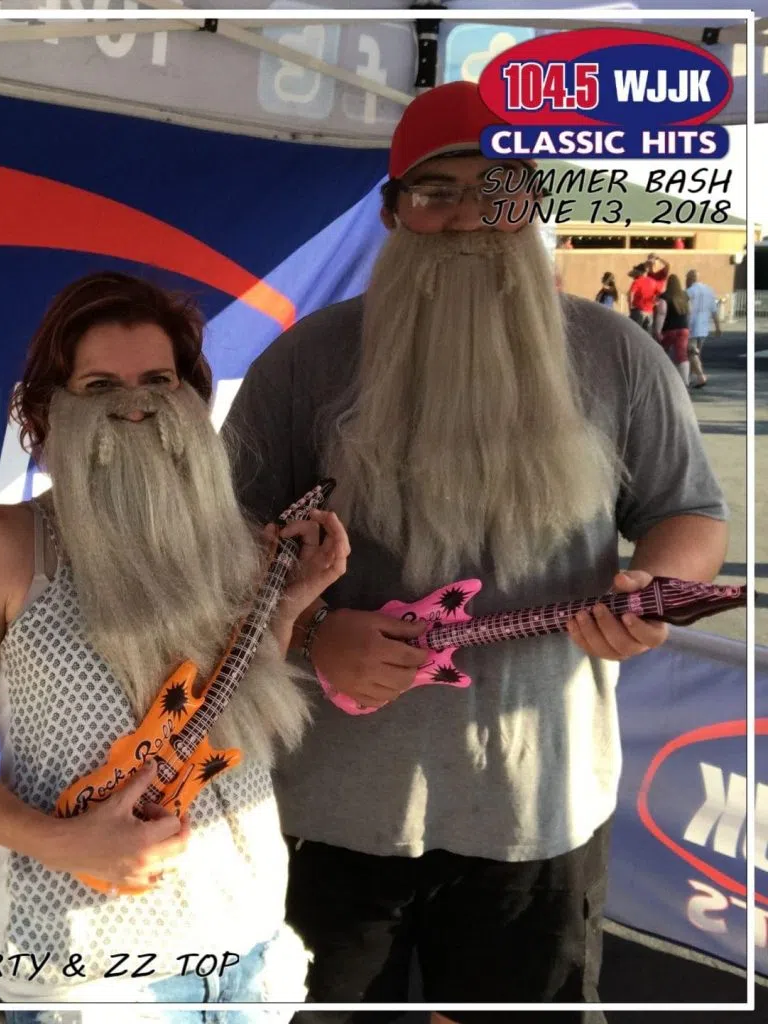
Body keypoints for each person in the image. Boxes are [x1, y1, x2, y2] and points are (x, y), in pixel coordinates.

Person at [223, 79, 729, 1024]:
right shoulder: (304, 362)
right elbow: (221, 546)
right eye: (436, 191)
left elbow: (690, 512)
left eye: (498, 190)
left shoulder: (616, 355)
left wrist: (655, 588)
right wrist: (314, 632)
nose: (468, 218)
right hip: (330, 805)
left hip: (537, 803)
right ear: (392, 212)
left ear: (531, 203)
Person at [0, 271, 351, 1022]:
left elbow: (227, 717)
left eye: (158, 380)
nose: (134, 403)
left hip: (248, 948)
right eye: (99, 384)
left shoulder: (234, 540)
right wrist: (63, 843)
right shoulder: (1, 546)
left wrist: (289, 604)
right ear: (49, 408)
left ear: (191, 397)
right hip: (95, 972)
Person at [685, 269, 722, 388]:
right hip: (704, 327)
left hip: (691, 326)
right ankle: (689, 378)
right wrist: (718, 327)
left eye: (687, 278)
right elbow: (714, 311)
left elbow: (684, 309)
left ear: (690, 278)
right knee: (696, 353)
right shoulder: (709, 291)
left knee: (691, 353)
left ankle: (700, 377)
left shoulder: (689, 292)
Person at [653, 274, 691, 386]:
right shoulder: (685, 296)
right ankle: (685, 381)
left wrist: (657, 330)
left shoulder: (665, 297)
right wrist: (688, 326)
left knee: (662, 353)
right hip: (683, 328)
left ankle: (664, 378)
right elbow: (689, 312)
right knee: (682, 355)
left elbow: (662, 313)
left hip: (669, 330)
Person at [627, 253, 670, 333]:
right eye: (649, 262)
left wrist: (658, 258)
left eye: (652, 261)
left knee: (656, 329)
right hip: (648, 305)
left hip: (657, 303)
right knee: (648, 330)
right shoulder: (648, 275)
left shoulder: (661, 273)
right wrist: (647, 263)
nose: (651, 264)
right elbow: (633, 272)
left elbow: (667, 265)